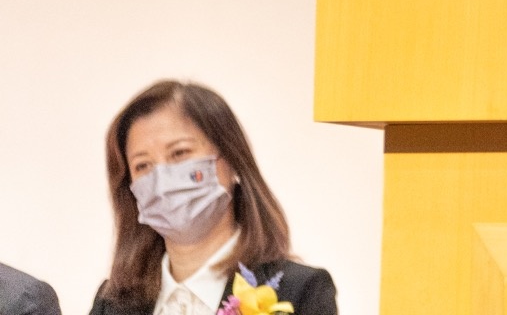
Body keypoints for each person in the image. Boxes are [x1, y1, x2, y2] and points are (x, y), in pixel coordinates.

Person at [88, 82, 336, 315]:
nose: (161, 179)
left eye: (180, 153)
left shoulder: (300, 291)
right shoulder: (111, 303)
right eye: (143, 165)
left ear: (231, 158)